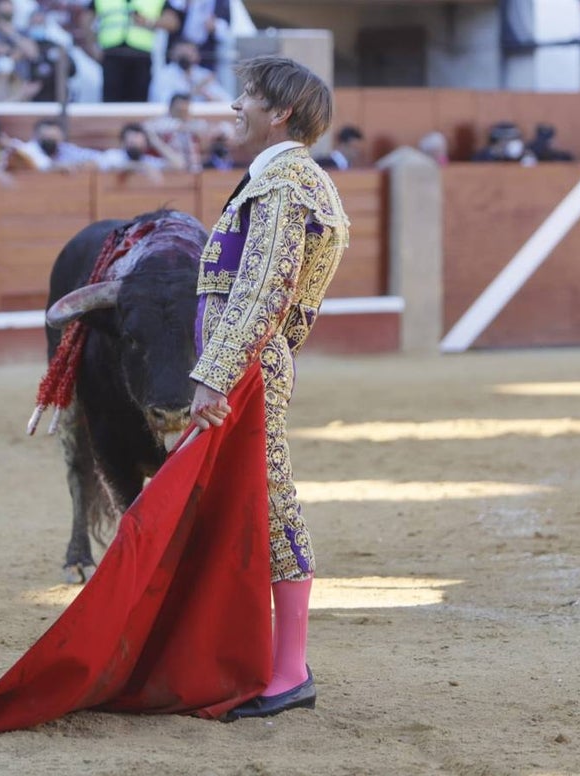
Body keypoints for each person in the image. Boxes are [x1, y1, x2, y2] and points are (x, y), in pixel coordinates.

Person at [189, 55, 349, 720]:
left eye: (247, 95)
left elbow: (264, 292)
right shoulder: (292, 179)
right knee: (247, 502)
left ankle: (289, 672)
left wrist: (217, 373)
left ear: (280, 112)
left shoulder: (283, 183)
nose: (236, 105)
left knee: (272, 503)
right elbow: (296, 309)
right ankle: (257, 658)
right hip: (255, 363)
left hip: (244, 370)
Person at [80, 0, 179, 102]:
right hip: (112, 56)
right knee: (111, 103)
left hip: (141, 58)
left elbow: (173, 22)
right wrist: (92, 46)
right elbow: (86, 18)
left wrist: (149, 22)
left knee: (138, 104)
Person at [148, 39, 230, 104]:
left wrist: (209, 97)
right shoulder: (164, 75)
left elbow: (227, 100)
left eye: (189, 52)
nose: (186, 56)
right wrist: (193, 91)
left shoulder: (204, 74)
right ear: (173, 55)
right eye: (182, 53)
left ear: (197, 56)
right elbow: (163, 101)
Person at [17, 117, 102, 170]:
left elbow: (98, 158)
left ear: (61, 138)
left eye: (54, 137)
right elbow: (41, 165)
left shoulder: (65, 149)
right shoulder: (28, 149)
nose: (50, 141)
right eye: (46, 137)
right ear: (36, 137)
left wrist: (87, 164)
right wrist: (60, 167)